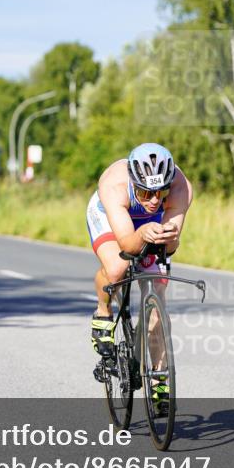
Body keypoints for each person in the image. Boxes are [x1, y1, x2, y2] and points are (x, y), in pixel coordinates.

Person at [85, 143, 192, 410]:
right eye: (146, 192)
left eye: (161, 192)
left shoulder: (181, 187)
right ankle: (102, 312)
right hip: (112, 218)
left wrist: (167, 238)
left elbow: (171, 247)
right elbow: (127, 245)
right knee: (117, 269)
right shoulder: (114, 186)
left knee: (158, 295)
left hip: (152, 222)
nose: (155, 199)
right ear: (134, 183)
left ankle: (159, 381)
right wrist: (142, 235)